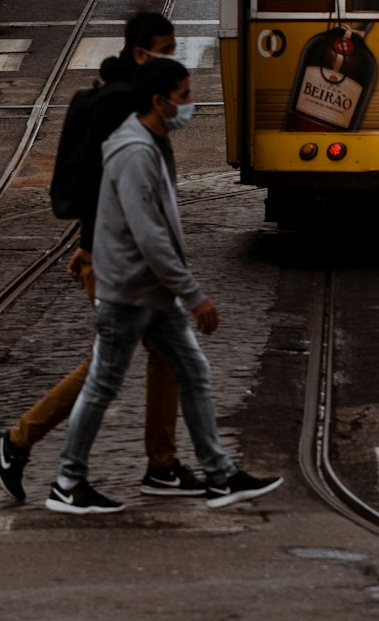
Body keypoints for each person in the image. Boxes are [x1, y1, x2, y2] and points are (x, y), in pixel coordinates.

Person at [45, 56, 282, 514]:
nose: (191, 105)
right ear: (159, 102)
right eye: (185, 96)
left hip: (149, 292)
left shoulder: (148, 143)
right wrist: (194, 295)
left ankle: (219, 475)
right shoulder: (135, 152)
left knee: (192, 371)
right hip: (131, 292)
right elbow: (148, 234)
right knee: (102, 385)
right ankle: (68, 482)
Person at [0, 12, 193, 504]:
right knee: (109, 363)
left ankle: (161, 465)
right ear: (142, 53)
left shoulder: (125, 95)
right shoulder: (124, 105)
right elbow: (112, 185)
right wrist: (95, 248)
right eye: (166, 50)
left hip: (116, 249)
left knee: (165, 355)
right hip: (122, 255)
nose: (173, 59)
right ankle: (16, 443)